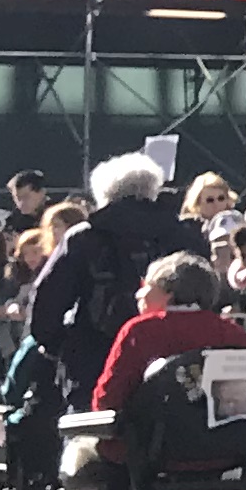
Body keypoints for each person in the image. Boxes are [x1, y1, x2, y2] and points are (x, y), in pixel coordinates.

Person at [25, 153, 198, 405]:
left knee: (89, 434)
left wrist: (60, 345)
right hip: (169, 355)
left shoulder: (84, 237)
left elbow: (48, 299)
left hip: (92, 356)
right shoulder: (180, 235)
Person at [78, 252, 246, 437]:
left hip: (151, 452)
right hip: (226, 449)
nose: (138, 294)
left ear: (168, 292)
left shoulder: (141, 331)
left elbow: (106, 402)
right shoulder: (233, 333)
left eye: (146, 286)